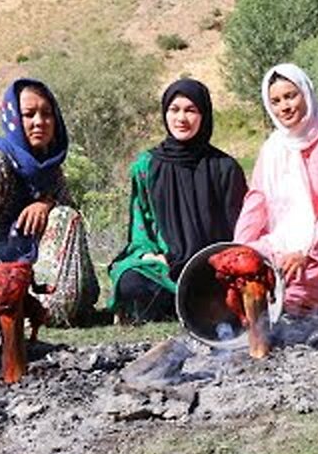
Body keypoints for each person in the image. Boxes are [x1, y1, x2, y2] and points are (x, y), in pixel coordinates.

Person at [0, 78, 99, 326]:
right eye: (29, 114)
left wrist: (46, 204)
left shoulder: (50, 170)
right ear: (13, 119)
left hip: (29, 272)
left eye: (46, 114)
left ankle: (38, 308)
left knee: (66, 216)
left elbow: (69, 226)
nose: (39, 122)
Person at [106, 78, 248, 323]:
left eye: (191, 110)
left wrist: (222, 262)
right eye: (174, 110)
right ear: (165, 114)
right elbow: (140, 223)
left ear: (204, 115)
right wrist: (149, 253)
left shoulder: (225, 167)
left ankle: (194, 303)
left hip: (214, 267)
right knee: (131, 282)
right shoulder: (146, 166)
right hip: (164, 268)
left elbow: (240, 228)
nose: (181, 118)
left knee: (235, 285)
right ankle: (191, 306)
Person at [234, 63, 318, 314]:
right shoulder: (272, 148)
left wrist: (305, 251)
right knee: (248, 269)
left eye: (290, 96)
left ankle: (315, 298)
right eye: (276, 101)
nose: (284, 106)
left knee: (292, 287)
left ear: (306, 93)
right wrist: (240, 248)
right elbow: (256, 202)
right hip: (282, 241)